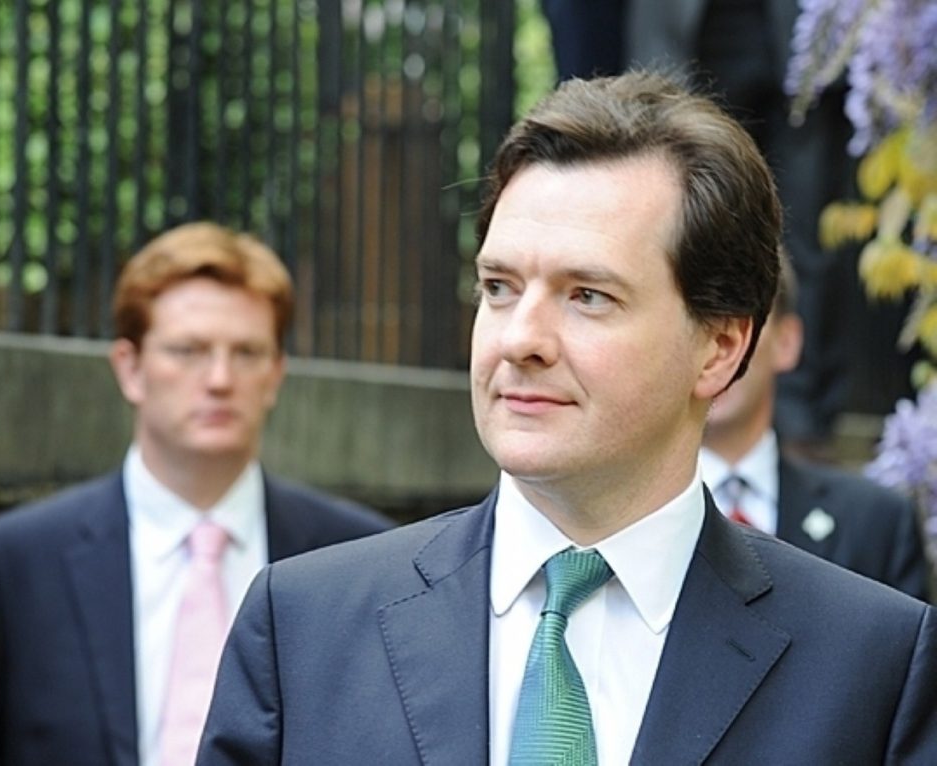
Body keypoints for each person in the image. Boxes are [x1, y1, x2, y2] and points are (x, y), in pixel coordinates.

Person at [197, 72, 937, 765]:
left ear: (719, 346)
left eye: (587, 295)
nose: (520, 339)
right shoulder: (303, 627)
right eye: (499, 286)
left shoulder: (872, 664)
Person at [0, 222, 393, 766]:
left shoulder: (357, 556)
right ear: (130, 368)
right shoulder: (13, 562)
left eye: (246, 352)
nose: (218, 378)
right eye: (188, 350)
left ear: (276, 374)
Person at [626, 0, 859, 450]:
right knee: (690, 217)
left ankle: (800, 424)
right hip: (701, 27)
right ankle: (680, 397)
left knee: (809, 241)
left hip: (804, 30)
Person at [701, 252, 930, 601]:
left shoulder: (875, 525)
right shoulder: (618, 515)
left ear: (787, 341)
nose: (717, 351)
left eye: (736, 321)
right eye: (698, 320)